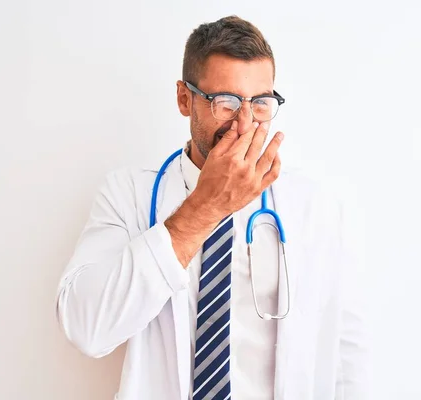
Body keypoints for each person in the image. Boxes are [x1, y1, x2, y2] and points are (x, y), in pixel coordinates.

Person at [55, 15, 369, 400]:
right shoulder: (128, 194)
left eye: (260, 103)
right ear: (185, 99)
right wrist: (205, 207)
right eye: (226, 102)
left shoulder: (314, 206)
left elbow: (346, 351)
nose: (244, 122)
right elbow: (87, 328)